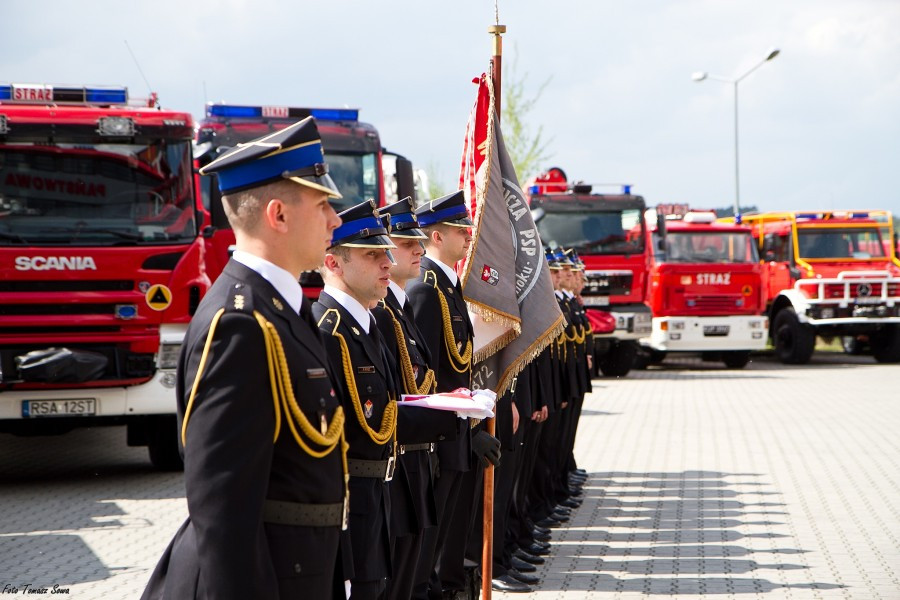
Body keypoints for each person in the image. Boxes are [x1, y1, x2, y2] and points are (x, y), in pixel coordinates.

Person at [141, 117, 347, 600]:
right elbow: (223, 510)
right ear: (278, 215)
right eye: (323, 206)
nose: (336, 220)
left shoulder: (283, 310)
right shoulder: (239, 323)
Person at [314, 200, 458, 600]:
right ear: (335, 262)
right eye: (372, 254)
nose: (386, 261)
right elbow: (362, 427)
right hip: (354, 508)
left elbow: (392, 404)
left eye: (385, 252)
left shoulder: (366, 323)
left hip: (382, 496)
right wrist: (456, 418)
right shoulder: (330, 331)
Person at [406, 190, 501, 600]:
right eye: (459, 230)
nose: (467, 237)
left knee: (449, 528)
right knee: (434, 536)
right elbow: (428, 377)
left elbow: (458, 363)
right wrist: (459, 427)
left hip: (457, 429)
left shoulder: (448, 288)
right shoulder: (427, 289)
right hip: (442, 433)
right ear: (437, 237)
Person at [372, 197, 447, 600]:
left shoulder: (398, 311)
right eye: (406, 243)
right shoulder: (384, 314)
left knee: (415, 571)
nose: (419, 249)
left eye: (419, 242)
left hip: (419, 453)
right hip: (400, 459)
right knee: (400, 577)